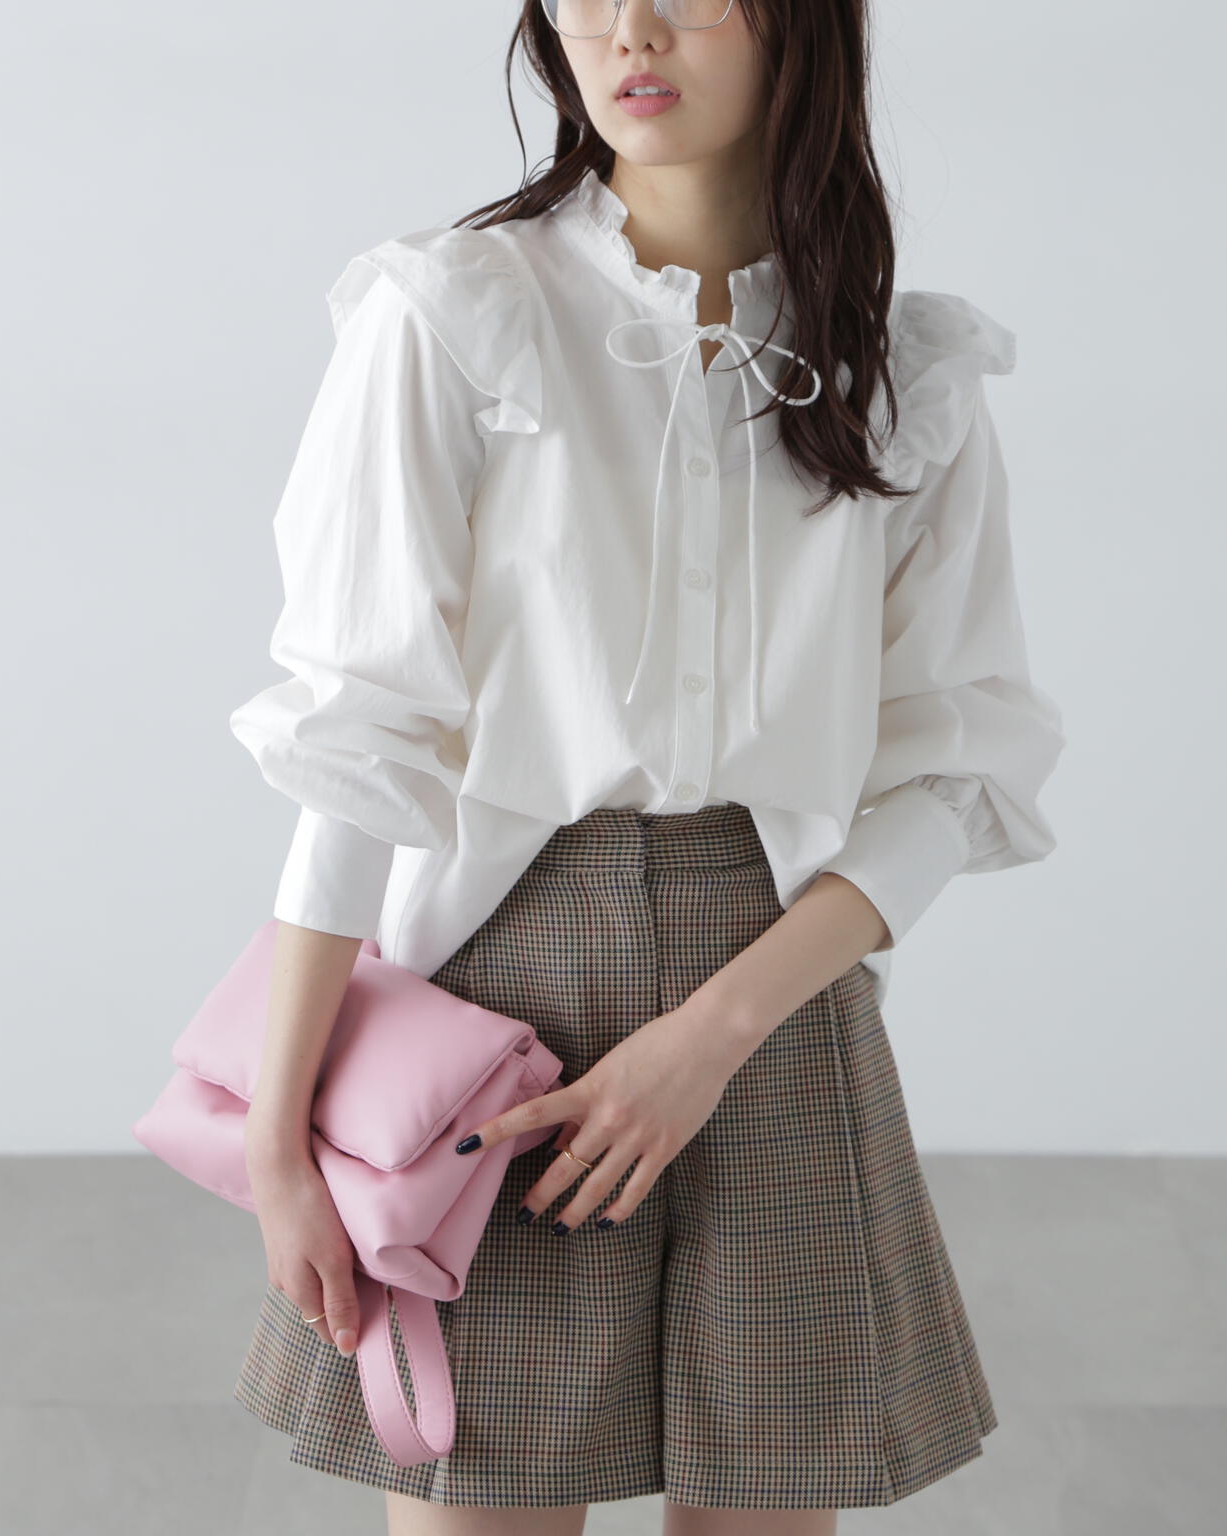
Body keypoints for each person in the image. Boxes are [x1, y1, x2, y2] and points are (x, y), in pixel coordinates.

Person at [228, 0, 1066, 1531]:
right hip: (496, 996)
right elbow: (359, 738)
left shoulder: (906, 364)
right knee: (478, 1502)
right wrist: (279, 1137)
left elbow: (955, 760)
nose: (629, 29)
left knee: (765, 1508)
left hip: (778, 998)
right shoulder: (455, 312)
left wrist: (715, 1033)